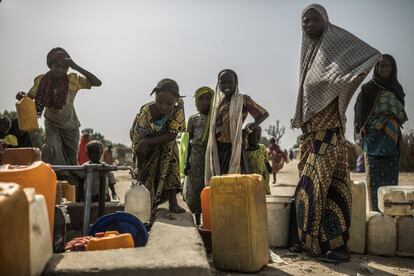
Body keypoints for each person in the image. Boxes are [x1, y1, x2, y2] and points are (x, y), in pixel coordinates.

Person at [291, 4, 381, 263]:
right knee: (320, 189)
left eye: (313, 20)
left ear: (325, 21)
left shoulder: (335, 48)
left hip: (329, 133)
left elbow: (369, 56)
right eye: (304, 21)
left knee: (314, 186)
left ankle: (337, 248)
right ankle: (317, 244)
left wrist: (347, 83)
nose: (308, 25)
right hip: (311, 136)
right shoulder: (309, 56)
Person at [16, 47, 102, 168]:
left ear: (68, 68)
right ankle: (56, 181)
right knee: (51, 150)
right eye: (57, 65)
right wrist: (21, 96)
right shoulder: (42, 81)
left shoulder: (73, 80)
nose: (60, 69)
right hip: (52, 125)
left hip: (71, 127)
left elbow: (97, 82)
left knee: (71, 161)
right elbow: (29, 98)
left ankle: (71, 185)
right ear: (50, 65)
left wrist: (75, 66)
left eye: (64, 67)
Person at [354, 54, 407, 211]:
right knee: (374, 179)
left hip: (392, 138)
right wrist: (361, 128)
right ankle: (376, 214)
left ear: (393, 68)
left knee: (391, 181)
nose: (385, 69)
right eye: (381, 66)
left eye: (388, 66)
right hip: (373, 140)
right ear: (376, 68)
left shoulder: (397, 88)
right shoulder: (368, 89)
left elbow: (399, 113)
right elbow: (360, 113)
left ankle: (390, 213)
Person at [130, 78, 186, 214]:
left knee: (171, 155)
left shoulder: (178, 109)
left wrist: (147, 142)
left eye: (169, 103)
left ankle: (173, 203)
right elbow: (139, 143)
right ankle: (145, 208)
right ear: (154, 95)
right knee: (145, 174)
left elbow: (172, 135)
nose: (164, 107)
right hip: (144, 146)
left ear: (176, 100)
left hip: (163, 142)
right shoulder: (146, 112)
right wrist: (138, 166)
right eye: (160, 102)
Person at [205, 69, 269, 183]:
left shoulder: (243, 100)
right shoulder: (218, 103)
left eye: (230, 82)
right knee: (220, 179)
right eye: (223, 82)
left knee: (237, 180)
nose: (226, 85)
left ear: (236, 83)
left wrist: (248, 129)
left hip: (235, 146)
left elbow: (263, 114)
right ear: (218, 84)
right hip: (219, 147)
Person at [184, 86, 214, 225]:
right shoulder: (193, 119)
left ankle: (209, 219)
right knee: (196, 187)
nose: (205, 101)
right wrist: (186, 162)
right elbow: (188, 142)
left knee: (210, 186)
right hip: (196, 156)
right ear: (196, 101)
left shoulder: (216, 118)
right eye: (201, 98)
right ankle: (197, 220)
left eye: (208, 98)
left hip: (211, 156)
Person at [245, 126, 272, 194]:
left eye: (258, 136)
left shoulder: (262, 148)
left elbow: (266, 160)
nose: (255, 138)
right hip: (251, 177)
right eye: (253, 136)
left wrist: (269, 167)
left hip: (263, 176)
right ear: (247, 137)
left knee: (264, 191)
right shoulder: (245, 151)